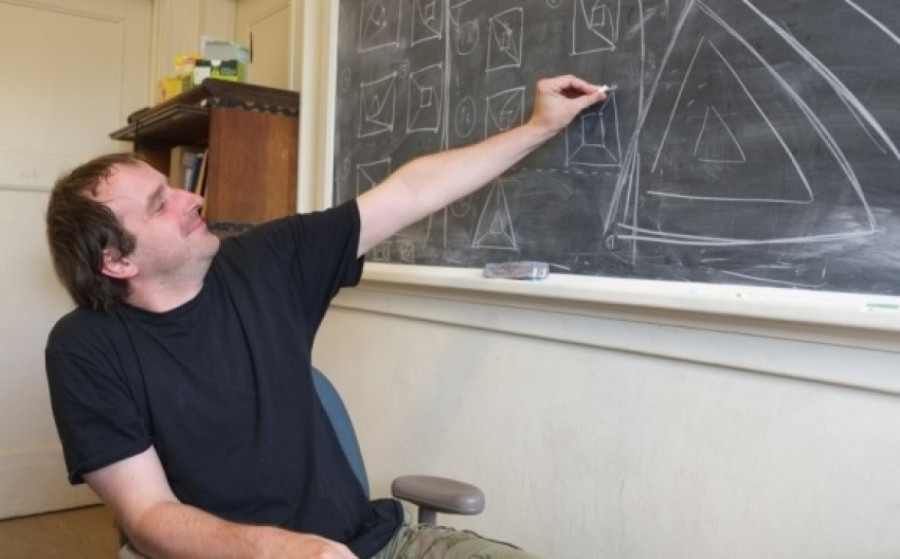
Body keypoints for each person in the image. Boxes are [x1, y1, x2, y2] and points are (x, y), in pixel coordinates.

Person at [44, 74, 607, 559]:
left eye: (173, 188)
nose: (190, 198)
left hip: (371, 543)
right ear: (116, 261)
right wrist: (284, 550)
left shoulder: (268, 261)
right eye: (159, 205)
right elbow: (147, 515)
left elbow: (412, 191)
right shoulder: (85, 349)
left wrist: (539, 126)